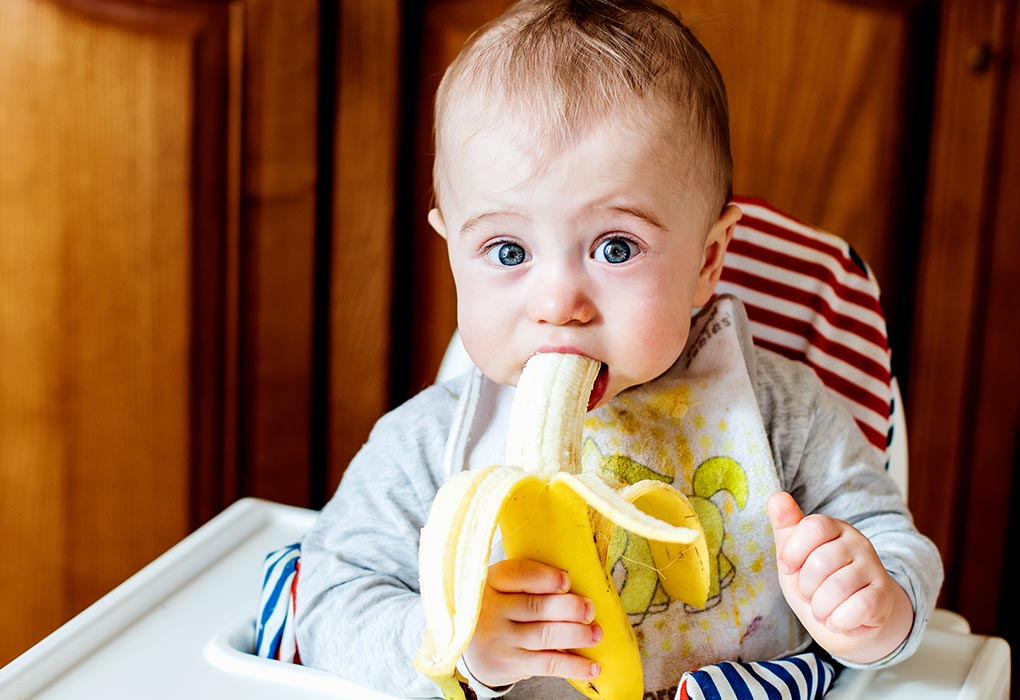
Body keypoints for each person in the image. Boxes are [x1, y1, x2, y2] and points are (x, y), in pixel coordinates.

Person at [294, 1, 943, 698]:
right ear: (452, 250)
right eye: (507, 250)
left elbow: (891, 542)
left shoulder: (777, 413)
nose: (558, 303)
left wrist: (872, 608)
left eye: (616, 247)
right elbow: (328, 605)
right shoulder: (429, 446)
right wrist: (457, 646)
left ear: (707, 259)